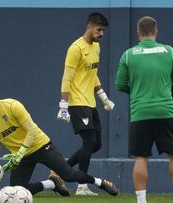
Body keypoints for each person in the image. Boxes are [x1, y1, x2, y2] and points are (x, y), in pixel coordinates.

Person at [0, 87, 119, 197]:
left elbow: (32, 131)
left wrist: (21, 152)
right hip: (20, 157)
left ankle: (101, 182)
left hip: (42, 147)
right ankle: (53, 183)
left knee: (69, 175)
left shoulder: (12, 106)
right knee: (16, 192)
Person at [115, 16, 173, 203]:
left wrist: (138, 91)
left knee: (140, 157)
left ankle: (141, 201)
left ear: (138, 33)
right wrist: (165, 94)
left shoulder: (128, 55)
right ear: (156, 31)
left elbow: (120, 85)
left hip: (140, 113)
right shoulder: (169, 51)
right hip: (165, 111)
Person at [55, 12, 115, 196]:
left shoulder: (96, 47)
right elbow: (67, 78)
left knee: (96, 144)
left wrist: (103, 97)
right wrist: (63, 105)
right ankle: (82, 185)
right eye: (99, 29)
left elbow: (92, 73)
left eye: (103, 30)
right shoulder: (75, 48)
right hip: (76, 103)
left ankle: (59, 171)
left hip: (90, 102)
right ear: (89, 26)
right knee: (89, 141)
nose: (101, 33)